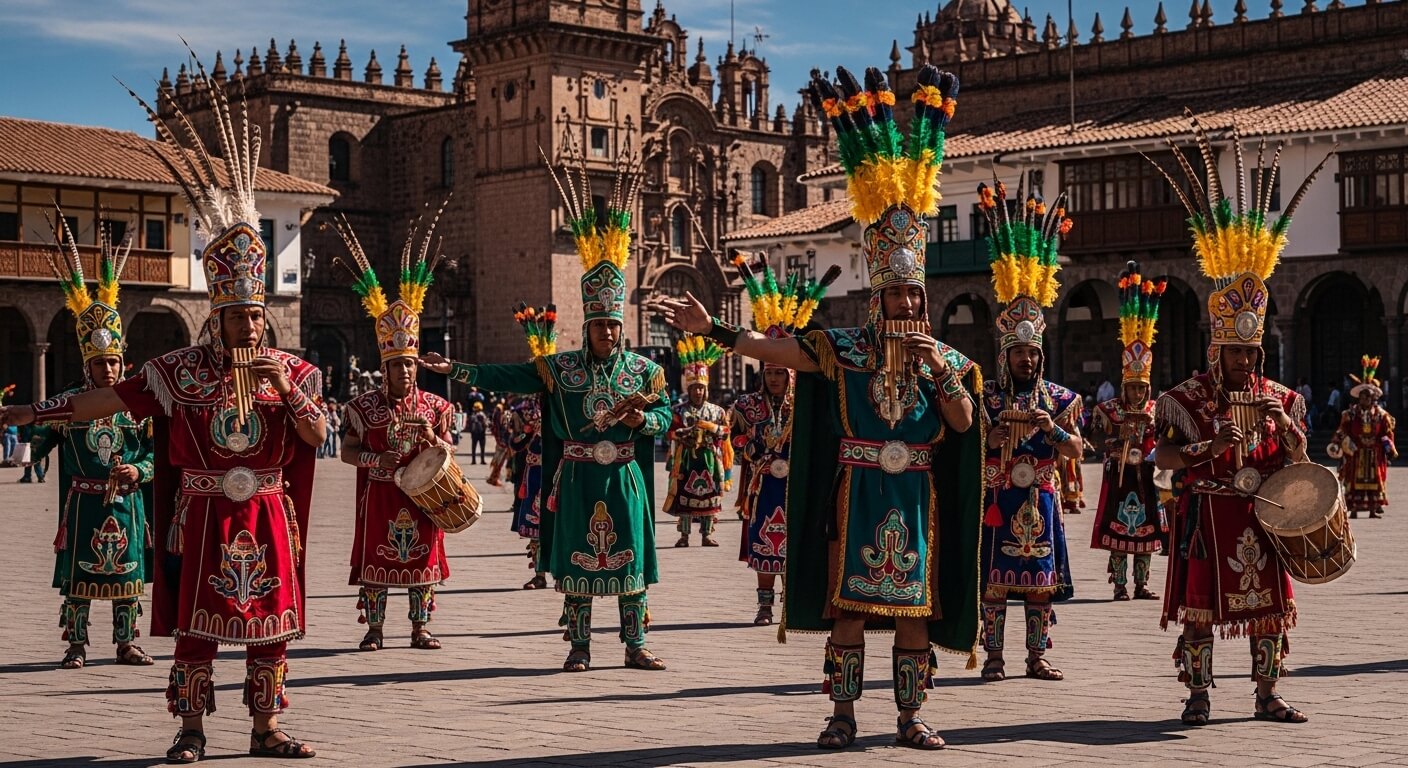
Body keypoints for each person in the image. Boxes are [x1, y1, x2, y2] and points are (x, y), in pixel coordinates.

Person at [652, 64, 983, 751]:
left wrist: (939, 375)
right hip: (856, 491)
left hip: (916, 496)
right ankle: (842, 715)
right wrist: (711, 329)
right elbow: (776, 352)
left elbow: (963, 426)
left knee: (915, 615)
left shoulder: (946, 360)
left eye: (917, 297)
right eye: (899, 297)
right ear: (877, 298)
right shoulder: (845, 350)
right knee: (852, 615)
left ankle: (911, 717)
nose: (910, 306)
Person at [0, 71, 328, 760]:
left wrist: (287, 390)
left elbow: (317, 435)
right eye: (235, 316)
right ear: (219, 312)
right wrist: (37, 410)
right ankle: (191, 727)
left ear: (266, 315)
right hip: (203, 513)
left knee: (270, 626)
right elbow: (106, 400)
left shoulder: (295, 370)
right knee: (196, 629)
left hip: (267, 511)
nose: (246, 328)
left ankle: (266, 727)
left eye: (255, 316)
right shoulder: (179, 371)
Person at [421, 121, 672, 673]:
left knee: (630, 560)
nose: (607, 332)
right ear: (589, 325)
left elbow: (665, 413)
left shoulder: (643, 371)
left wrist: (646, 415)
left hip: (625, 474)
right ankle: (579, 644)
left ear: (623, 324)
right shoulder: (561, 369)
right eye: (599, 325)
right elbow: (509, 375)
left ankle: (635, 643)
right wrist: (456, 367)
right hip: (580, 475)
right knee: (579, 561)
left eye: (613, 324)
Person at [1147, 117, 1329, 727]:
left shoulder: (1280, 397)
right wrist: (1207, 446)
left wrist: (1294, 432)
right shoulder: (1185, 398)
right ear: (1215, 351)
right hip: (1208, 512)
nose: (1246, 362)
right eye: (1235, 353)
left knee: (1271, 609)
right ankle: (1197, 695)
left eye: (1252, 353)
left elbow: (1300, 467)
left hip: (1264, 513)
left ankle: (1267, 693)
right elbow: (1160, 459)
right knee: (1200, 611)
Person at [28, 211, 156, 670]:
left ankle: (126, 643)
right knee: (80, 579)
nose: (109, 370)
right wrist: (32, 430)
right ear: (88, 365)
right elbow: (36, 440)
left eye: (115, 363)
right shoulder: (68, 405)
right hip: (82, 505)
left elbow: (154, 455)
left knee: (127, 578)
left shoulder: (137, 406)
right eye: (101, 364)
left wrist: (137, 471)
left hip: (126, 501)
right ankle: (77, 644)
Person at [973, 176, 1081, 685]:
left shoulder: (1059, 399)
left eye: (1032, 352)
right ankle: (993, 657)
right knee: (994, 585)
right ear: (1005, 355)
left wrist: (1053, 433)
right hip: (997, 499)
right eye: (1018, 352)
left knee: (1038, 585)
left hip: (1039, 498)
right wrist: (989, 442)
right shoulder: (987, 396)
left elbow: (1078, 449)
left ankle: (1037, 656)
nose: (1025, 358)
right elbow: (962, 444)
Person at [332, 209, 454, 652]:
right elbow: (345, 450)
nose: (403, 370)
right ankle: (375, 628)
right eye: (395, 364)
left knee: (422, 559)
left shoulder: (437, 406)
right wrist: (372, 460)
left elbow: (449, 452)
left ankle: (421, 627)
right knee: (376, 562)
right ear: (384, 368)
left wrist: (433, 439)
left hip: (423, 496)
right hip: (379, 493)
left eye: (408, 363)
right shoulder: (360, 407)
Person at [729, 255, 840, 625]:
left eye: (781, 372)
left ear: (790, 375)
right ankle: (764, 604)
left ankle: (792, 599)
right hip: (762, 485)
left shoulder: (804, 406)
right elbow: (736, 435)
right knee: (763, 541)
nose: (775, 378)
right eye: (770, 372)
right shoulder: (747, 405)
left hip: (795, 483)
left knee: (794, 541)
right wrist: (751, 449)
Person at [1090, 262, 1168, 601]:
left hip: (1146, 477)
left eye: (1141, 389)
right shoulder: (1110, 411)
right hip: (1121, 477)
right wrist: (1113, 442)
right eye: (1132, 388)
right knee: (1121, 528)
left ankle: (1142, 583)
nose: (1137, 394)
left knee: (1148, 532)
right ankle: (1120, 584)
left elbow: (1167, 440)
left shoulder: (1156, 410)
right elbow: (1095, 440)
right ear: (1124, 387)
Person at [663, 337, 731, 547]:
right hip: (686, 459)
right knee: (684, 495)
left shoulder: (716, 411)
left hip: (710, 459)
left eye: (701, 388)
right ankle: (684, 536)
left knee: (710, 497)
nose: (698, 392)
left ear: (706, 389)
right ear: (689, 389)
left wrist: (713, 428)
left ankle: (707, 534)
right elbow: (670, 432)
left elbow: (726, 432)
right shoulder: (678, 410)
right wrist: (686, 432)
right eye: (694, 388)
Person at [508, 304, 555, 590]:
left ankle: (565, 572)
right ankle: (539, 573)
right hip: (535, 473)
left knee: (564, 525)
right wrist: (527, 433)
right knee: (536, 527)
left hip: (563, 472)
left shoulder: (566, 406)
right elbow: (513, 443)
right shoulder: (523, 409)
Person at [1329, 356, 1396, 519]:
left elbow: (1387, 432)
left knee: (1375, 480)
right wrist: (1338, 442)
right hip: (1356, 451)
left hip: (1374, 452)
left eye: (1368, 397)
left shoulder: (1381, 415)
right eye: (1363, 396)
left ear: (1373, 398)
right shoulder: (1351, 414)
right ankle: (1354, 509)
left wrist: (1389, 446)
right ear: (1359, 398)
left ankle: (1373, 509)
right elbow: (1343, 429)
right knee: (1353, 480)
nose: (1366, 399)